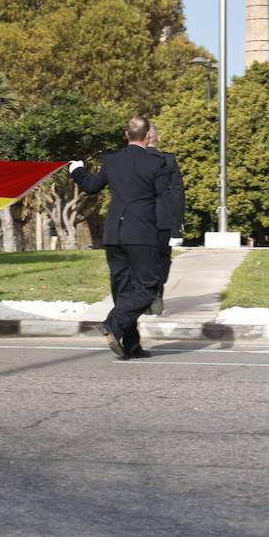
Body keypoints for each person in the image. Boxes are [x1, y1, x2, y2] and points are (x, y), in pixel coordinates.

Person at [69, 116, 183, 361]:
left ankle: (132, 346)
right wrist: (172, 232)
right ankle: (113, 322)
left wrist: (77, 170)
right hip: (141, 233)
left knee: (123, 290)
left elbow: (90, 186)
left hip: (113, 234)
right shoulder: (157, 163)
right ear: (146, 136)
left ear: (126, 134)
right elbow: (165, 199)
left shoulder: (112, 160)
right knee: (148, 287)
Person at [144, 123, 185, 316]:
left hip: (138, 219)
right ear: (157, 139)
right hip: (163, 218)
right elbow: (177, 193)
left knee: (140, 259)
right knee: (162, 258)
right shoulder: (168, 160)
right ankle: (156, 291)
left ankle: (146, 295)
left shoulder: (128, 160)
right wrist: (177, 225)